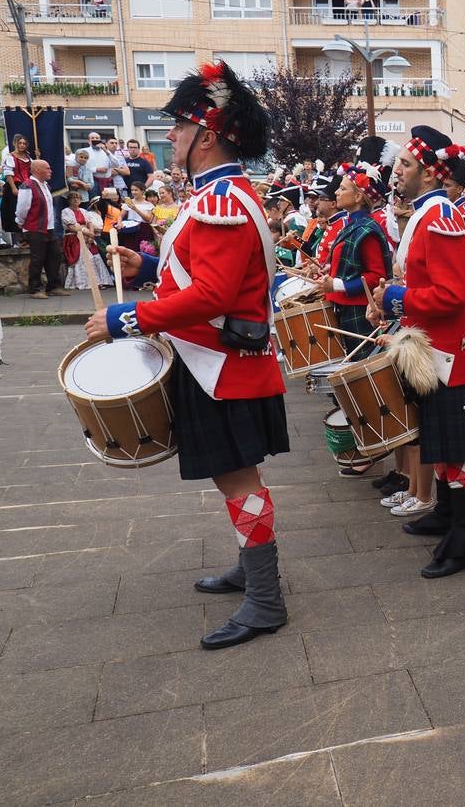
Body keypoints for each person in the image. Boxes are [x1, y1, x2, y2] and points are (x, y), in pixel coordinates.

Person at [85, 60, 288, 651]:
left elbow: (217, 294)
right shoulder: (215, 196)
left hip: (221, 366)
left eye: (177, 126)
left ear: (205, 134)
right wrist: (147, 268)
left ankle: (266, 599)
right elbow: (205, 275)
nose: (169, 136)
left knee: (239, 476)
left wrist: (129, 316)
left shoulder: (222, 200)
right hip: (215, 362)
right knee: (233, 478)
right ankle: (252, 571)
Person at [373, 124, 465, 579]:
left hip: (448, 357)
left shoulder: (440, 218)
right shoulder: (424, 212)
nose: (396, 171)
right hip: (429, 351)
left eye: (405, 164)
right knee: (438, 444)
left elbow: (452, 295)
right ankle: (444, 514)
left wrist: (396, 298)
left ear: (430, 173)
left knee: (456, 449)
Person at [318, 140, 394, 363]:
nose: (337, 194)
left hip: (360, 314)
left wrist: (337, 285)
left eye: (343, 189)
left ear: (359, 196)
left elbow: (376, 276)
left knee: (361, 373)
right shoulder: (352, 224)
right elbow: (351, 266)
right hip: (345, 308)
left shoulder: (367, 229)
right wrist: (329, 269)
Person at [16, 159, 69, 298]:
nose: (50, 171)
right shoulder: (27, 186)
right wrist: (20, 222)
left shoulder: (45, 185)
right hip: (35, 228)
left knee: (54, 256)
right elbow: (22, 207)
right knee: (37, 258)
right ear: (38, 170)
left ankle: (53, 286)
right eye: (47, 168)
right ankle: (35, 289)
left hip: (49, 228)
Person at [62, 191, 114, 289]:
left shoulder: (83, 211)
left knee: (96, 257)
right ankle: (87, 282)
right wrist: (87, 232)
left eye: (78, 198)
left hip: (87, 236)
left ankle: (99, 282)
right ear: (69, 200)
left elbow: (90, 223)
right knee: (84, 257)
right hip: (74, 237)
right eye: (73, 198)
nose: (76, 200)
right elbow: (72, 227)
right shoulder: (66, 211)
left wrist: (90, 235)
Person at [1, 133, 32, 248]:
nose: (22, 145)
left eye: (24, 143)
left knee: (27, 210)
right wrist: (14, 188)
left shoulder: (28, 157)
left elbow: (32, 169)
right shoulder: (11, 157)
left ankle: (27, 238)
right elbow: (8, 174)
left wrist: (38, 157)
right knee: (15, 211)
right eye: (20, 143)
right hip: (15, 186)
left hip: (26, 186)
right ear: (15, 143)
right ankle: (19, 240)